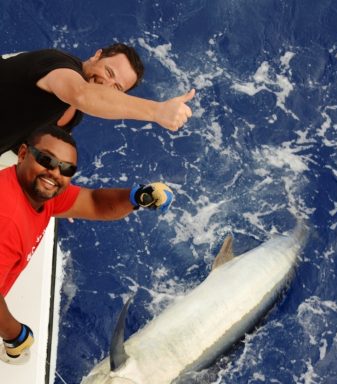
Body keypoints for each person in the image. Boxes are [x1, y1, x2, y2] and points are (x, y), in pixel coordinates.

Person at [0, 125, 174, 358]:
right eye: (46, 160)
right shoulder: (7, 219)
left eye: (66, 169)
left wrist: (137, 196)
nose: (54, 173)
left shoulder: (38, 192)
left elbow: (93, 202)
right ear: (23, 154)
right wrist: (15, 335)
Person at [0, 43, 195, 155]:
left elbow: (31, 145)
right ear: (97, 56)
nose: (106, 85)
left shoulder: (74, 114)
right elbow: (81, 94)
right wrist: (157, 111)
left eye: (117, 87)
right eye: (109, 72)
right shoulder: (57, 64)